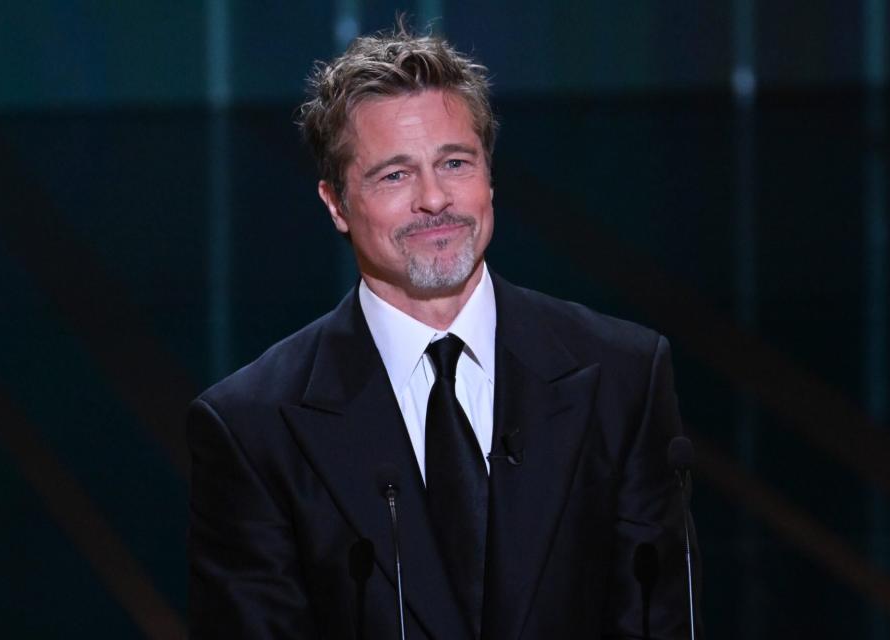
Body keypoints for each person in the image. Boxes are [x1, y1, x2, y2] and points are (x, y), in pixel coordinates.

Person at [187, 23, 701, 640]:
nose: (435, 199)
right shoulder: (252, 428)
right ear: (336, 203)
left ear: (489, 178)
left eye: (455, 163)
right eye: (395, 175)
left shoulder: (623, 376)